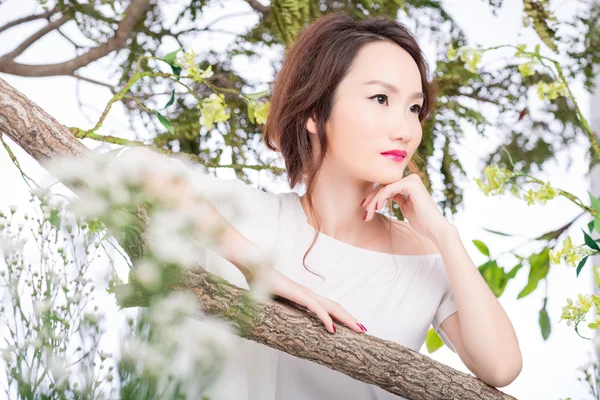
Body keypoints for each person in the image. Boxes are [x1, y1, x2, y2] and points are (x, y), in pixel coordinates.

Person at [118, 11, 522, 399]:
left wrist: (443, 234)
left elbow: (501, 367)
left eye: (414, 108)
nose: (405, 130)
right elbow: (132, 167)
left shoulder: (424, 258)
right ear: (315, 112)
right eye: (380, 98)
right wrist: (262, 271)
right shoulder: (253, 217)